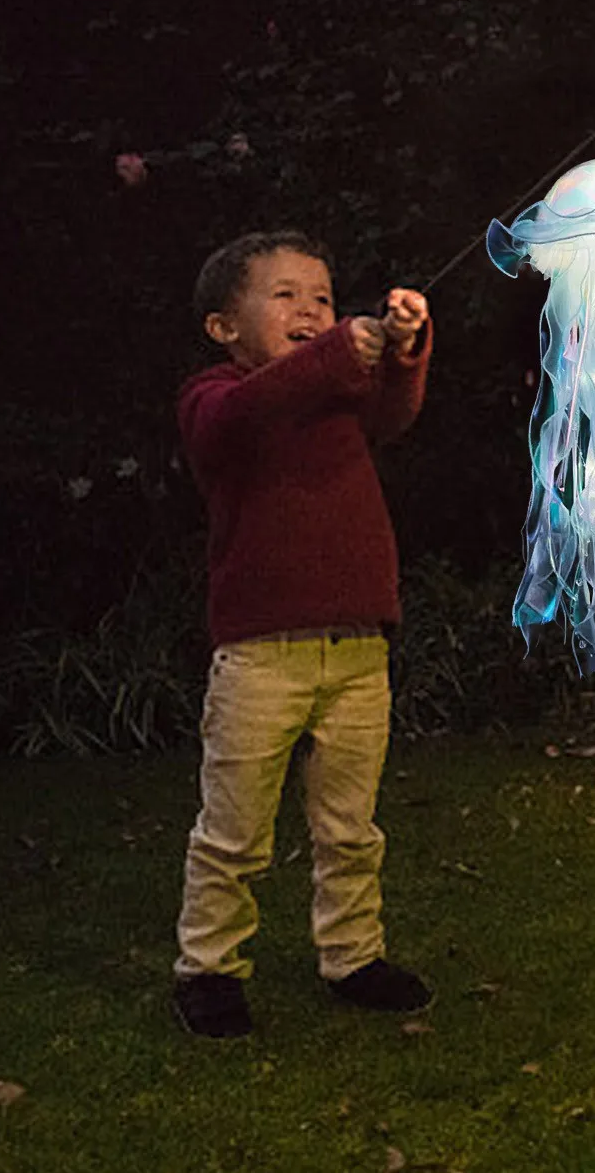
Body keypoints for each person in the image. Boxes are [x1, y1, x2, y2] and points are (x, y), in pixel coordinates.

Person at [172, 230, 434, 1039]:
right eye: (284, 295)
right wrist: (330, 356)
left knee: (351, 828)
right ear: (224, 326)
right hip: (260, 656)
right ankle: (209, 970)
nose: (311, 309)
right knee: (234, 833)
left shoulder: (336, 400)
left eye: (320, 295)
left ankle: (354, 956)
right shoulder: (213, 397)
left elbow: (393, 412)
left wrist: (403, 347)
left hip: (357, 649)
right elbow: (244, 418)